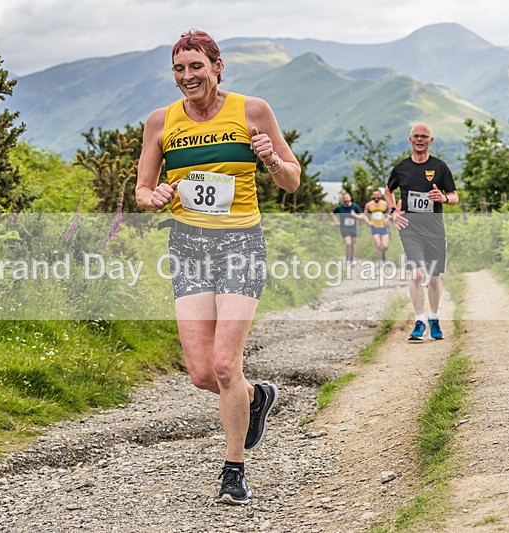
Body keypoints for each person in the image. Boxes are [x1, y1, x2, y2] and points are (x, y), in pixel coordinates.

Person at [135, 30, 301, 505]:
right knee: (202, 373)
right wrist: (154, 196)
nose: (188, 76)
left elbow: (291, 181)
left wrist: (270, 160)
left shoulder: (252, 110)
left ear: (217, 67)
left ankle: (234, 471)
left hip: (240, 245)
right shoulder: (160, 121)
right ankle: (256, 398)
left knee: (227, 365)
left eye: (196, 66)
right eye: (179, 69)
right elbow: (143, 189)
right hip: (188, 249)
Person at [385, 123, 458, 341]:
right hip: (410, 229)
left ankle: (434, 319)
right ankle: (419, 321)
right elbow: (388, 191)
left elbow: (454, 197)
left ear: (430, 141)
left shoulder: (440, 167)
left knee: (433, 277)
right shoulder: (401, 168)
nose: (419, 139)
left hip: (434, 230)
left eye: (424, 136)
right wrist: (393, 212)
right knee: (417, 274)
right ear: (410, 140)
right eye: (416, 136)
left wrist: (443, 198)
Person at [331, 191, 363, 263]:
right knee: (348, 243)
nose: (346, 200)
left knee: (353, 245)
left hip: (353, 228)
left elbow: (362, 216)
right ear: (342, 199)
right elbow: (333, 213)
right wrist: (336, 221)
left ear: (350, 198)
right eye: (344, 198)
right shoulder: (339, 208)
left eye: (347, 198)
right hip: (344, 227)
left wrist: (355, 215)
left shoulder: (355, 207)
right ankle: (347, 257)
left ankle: (352, 259)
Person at [363, 188, 390, 264]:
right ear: (372, 195)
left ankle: (383, 255)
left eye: (377, 194)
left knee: (385, 246)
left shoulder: (385, 204)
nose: (376, 196)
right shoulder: (369, 205)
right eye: (374, 195)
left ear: (380, 195)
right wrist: (368, 222)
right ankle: (380, 261)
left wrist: (387, 219)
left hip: (383, 227)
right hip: (374, 227)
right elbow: (364, 215)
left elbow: (391, 213)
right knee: (378, 245)